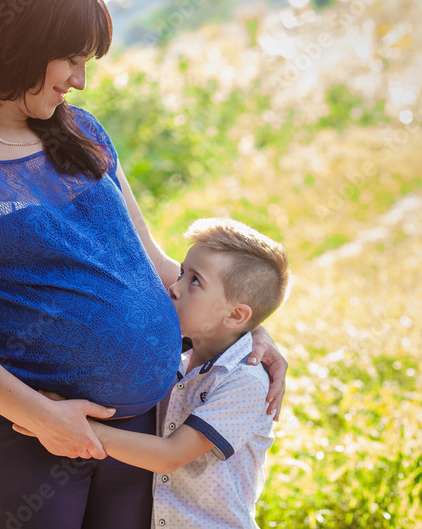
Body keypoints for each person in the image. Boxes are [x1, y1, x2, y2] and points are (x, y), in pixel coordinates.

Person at [0, 0, 286, 529]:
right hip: (24, 438)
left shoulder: (83, 132)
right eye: (71, 59)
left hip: (140, 429)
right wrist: (46, 419)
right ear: (24, 44)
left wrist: (245, 330)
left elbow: (152, 261)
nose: (79, 79)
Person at [25, 217, 290, 528]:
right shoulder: (174, 354)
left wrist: (69, 424)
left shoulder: (245, 380)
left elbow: (171, 455)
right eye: (181, 273)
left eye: (195, 281)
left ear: (235, 315)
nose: (173, 288)